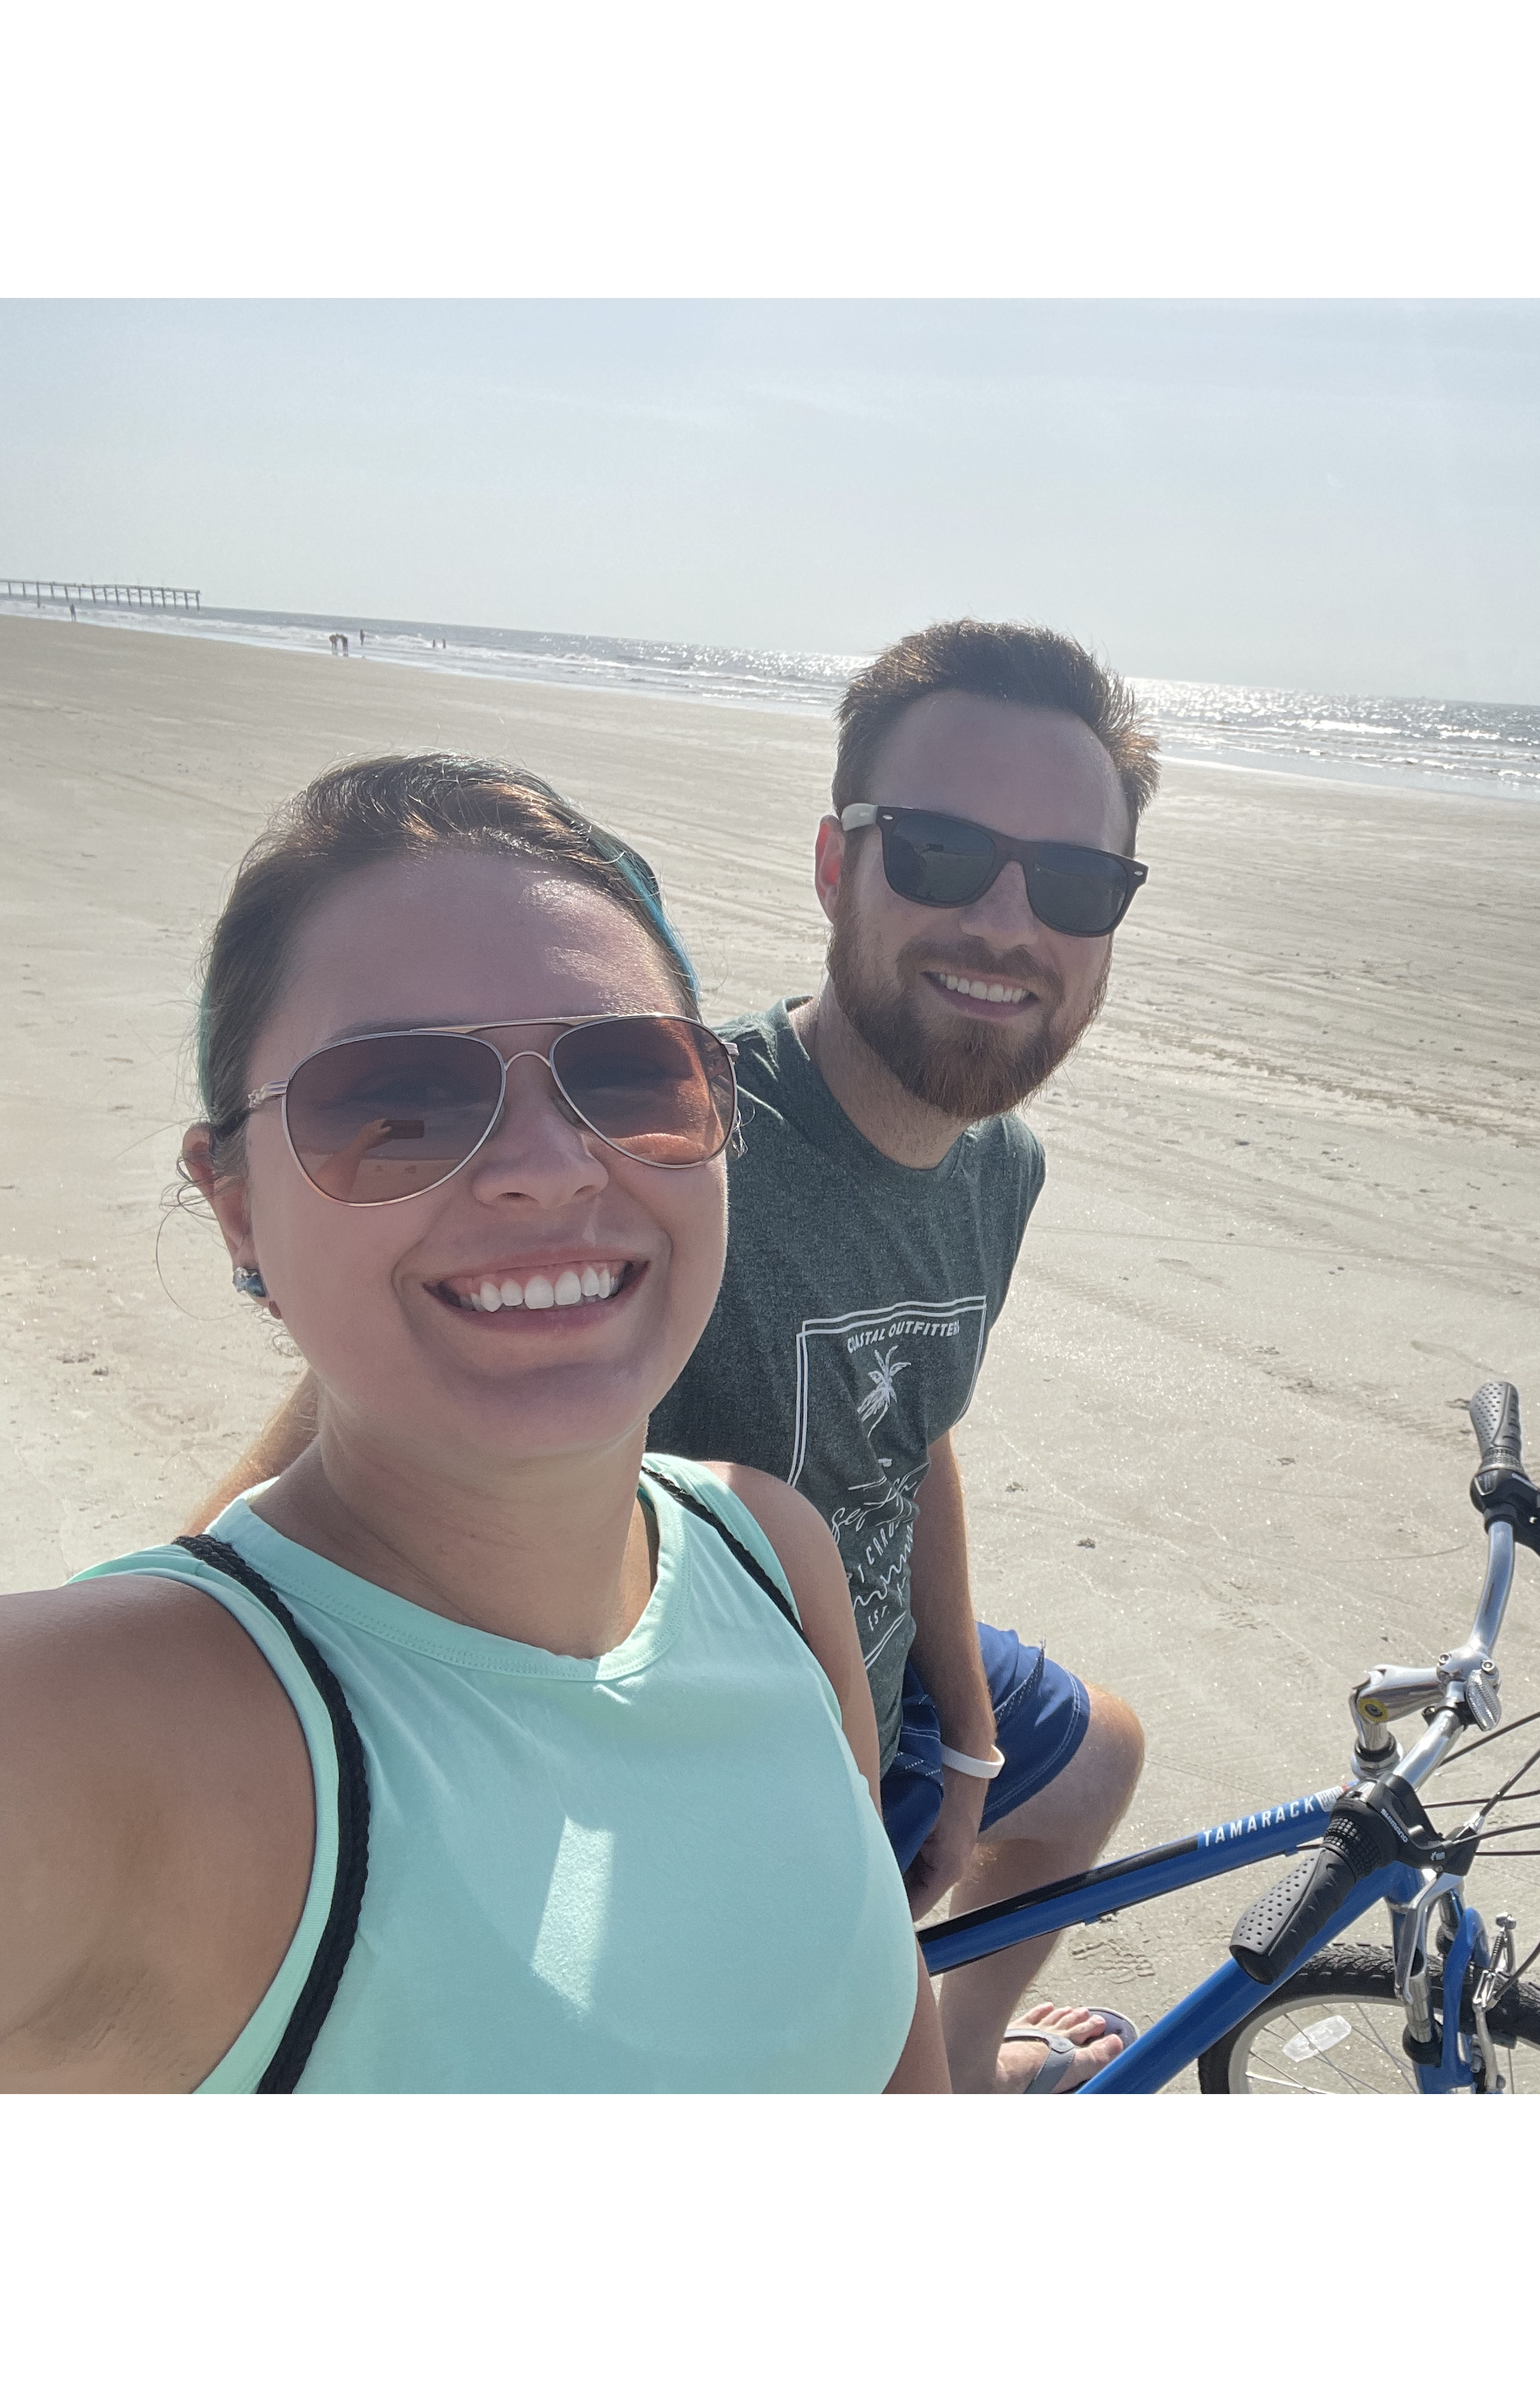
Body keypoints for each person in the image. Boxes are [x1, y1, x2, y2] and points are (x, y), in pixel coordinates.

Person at [197, 622, 1156, 2092]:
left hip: (870, 1660)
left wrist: (961, 1723)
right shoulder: (655, 1128)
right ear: (838, 865)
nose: (1007, 925)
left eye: (1076, 882)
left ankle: (957, 2069)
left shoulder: (997, 1171)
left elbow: (910, 1432)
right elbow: (357, 1401)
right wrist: (202, 1631)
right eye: (945, 853)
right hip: (679, 1697)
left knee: (1096, 1757)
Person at [0, 756, 942, 2091]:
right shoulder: (120, 1727)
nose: (550, 1169)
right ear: (238, 1208)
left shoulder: (767, 1550)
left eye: (629, 1077)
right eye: (396, 1106)